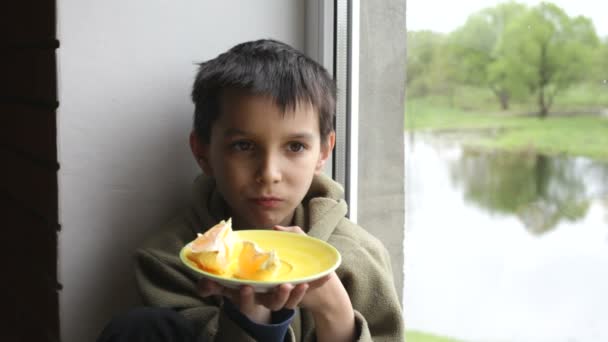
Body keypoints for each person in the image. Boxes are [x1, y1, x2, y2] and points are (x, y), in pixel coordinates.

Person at [97, 39, 404, 342]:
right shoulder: (170, 259)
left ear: (323, 153)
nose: (269, 174)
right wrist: (251, 320)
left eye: (295, 146)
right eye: (243, 146)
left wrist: (335, 312)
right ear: (203, 152)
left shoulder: (359, 256)